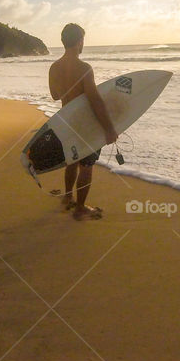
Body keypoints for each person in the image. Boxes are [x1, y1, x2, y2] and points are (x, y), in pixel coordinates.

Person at [48, 23, 118, 220]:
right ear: (80, 41)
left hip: (66, 121)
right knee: (86, 166)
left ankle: (68, 197)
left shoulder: (54, 67)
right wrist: (109, 129)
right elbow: (96, 101)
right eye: (82, 40)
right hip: (86, 125)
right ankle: (80, 208)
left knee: (71, 160)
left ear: (63, 42)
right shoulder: (85, 68)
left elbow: (54, 96)